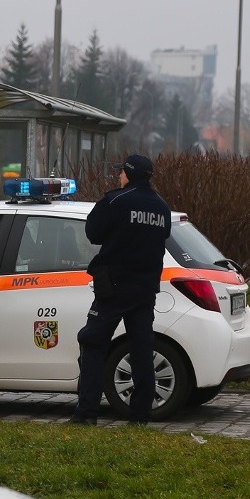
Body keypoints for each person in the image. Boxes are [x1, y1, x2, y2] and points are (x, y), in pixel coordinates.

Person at [70, 154, 171, 426]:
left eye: (121, 172)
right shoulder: (162, 207)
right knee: (141, 350)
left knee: (92, 342)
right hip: (145, 290)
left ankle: (86, 413)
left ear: (129, 173)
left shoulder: (116, 200)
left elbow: (93, 233)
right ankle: (140, 416)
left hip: (113, 287)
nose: (118, 176)